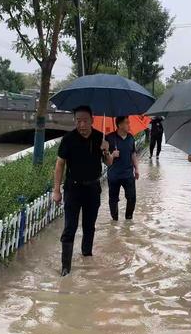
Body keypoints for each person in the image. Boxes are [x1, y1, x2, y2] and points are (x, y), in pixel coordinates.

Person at [52, 105, 111, 276]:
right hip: (73, 188)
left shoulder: (101, 137)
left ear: (92, 120)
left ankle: (86, 255)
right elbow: (59, 165)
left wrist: (106, 151)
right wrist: (57, 190)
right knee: (70, 227)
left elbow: (109, 163)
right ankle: (65, 267)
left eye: (85, 121)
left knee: (89, 226)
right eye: (78, 121)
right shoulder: (68, 139)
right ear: (75, 121)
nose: (82, 125)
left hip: (93, 188)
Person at [106, 116, 140, 221]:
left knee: (132, 198)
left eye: (129, 122)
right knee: (113, 199)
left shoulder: (131, 137)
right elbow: (105, 160)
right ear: (120, 125)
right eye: (126, 123)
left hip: (128, 174)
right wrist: (112, 155)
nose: (129, 125)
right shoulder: (109, 138)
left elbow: (133, 154)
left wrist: (137, 168)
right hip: (114, 175)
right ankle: (114, 220)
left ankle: (128, 220)